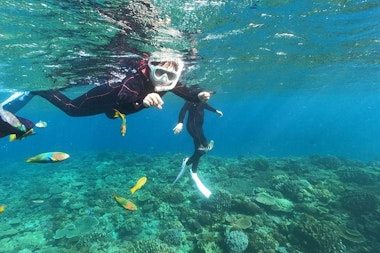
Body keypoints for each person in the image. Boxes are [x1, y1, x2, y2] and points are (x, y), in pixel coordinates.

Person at [3, 53, 212, 132]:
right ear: (150, 68)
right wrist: (143, 99)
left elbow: (188, 92)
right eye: (160, 73)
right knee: (72, 110)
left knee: (112, 116)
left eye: (170, 76)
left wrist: (199, 95)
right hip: (109, 95)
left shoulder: (167, 83)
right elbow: (125, 96)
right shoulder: (136, 78)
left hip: (118, 110)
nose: (164, 80)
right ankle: (40, 89)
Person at [172, 100, 223, 198]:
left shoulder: (202, 100)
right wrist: (180, 123)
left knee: (198, 149)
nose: (207, 97)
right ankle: (187, 163)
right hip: (192, 127)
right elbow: (183, 110)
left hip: (199, 128)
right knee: (203, 149)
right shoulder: (191, 99)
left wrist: (216, 111)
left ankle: (194, 171)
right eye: (206, 95)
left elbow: (207, 106)